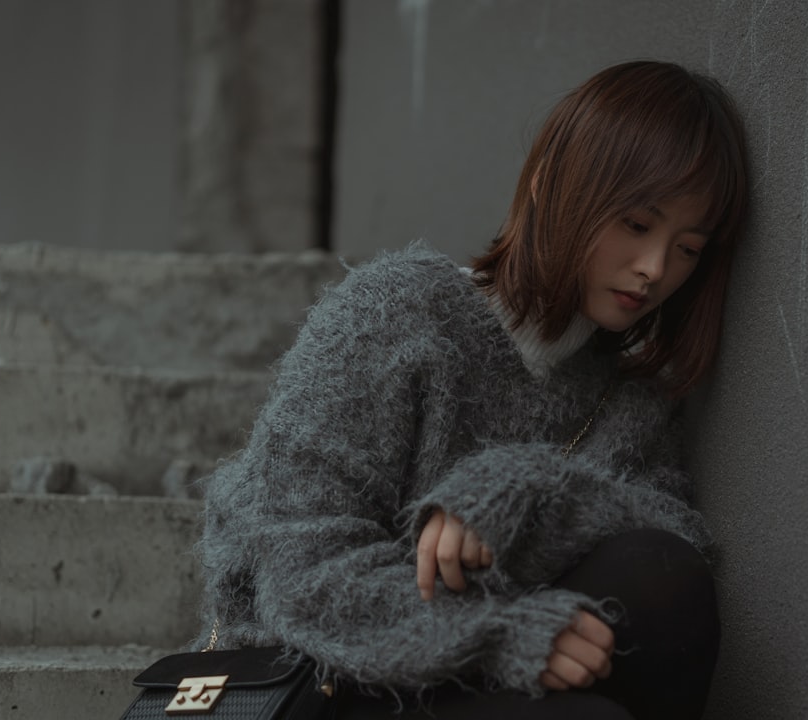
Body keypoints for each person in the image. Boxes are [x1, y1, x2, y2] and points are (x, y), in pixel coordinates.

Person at [195, 60, 749, 720]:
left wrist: (524, 491)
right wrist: (498, 635)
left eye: (687, 248)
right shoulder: (395, 314)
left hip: (465, 680)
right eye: (636, 224)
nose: (654, 268)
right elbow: (304, 576)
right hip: (317, 677)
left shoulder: (629, 398)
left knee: (663, 574)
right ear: (548, 184)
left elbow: (677, 531)